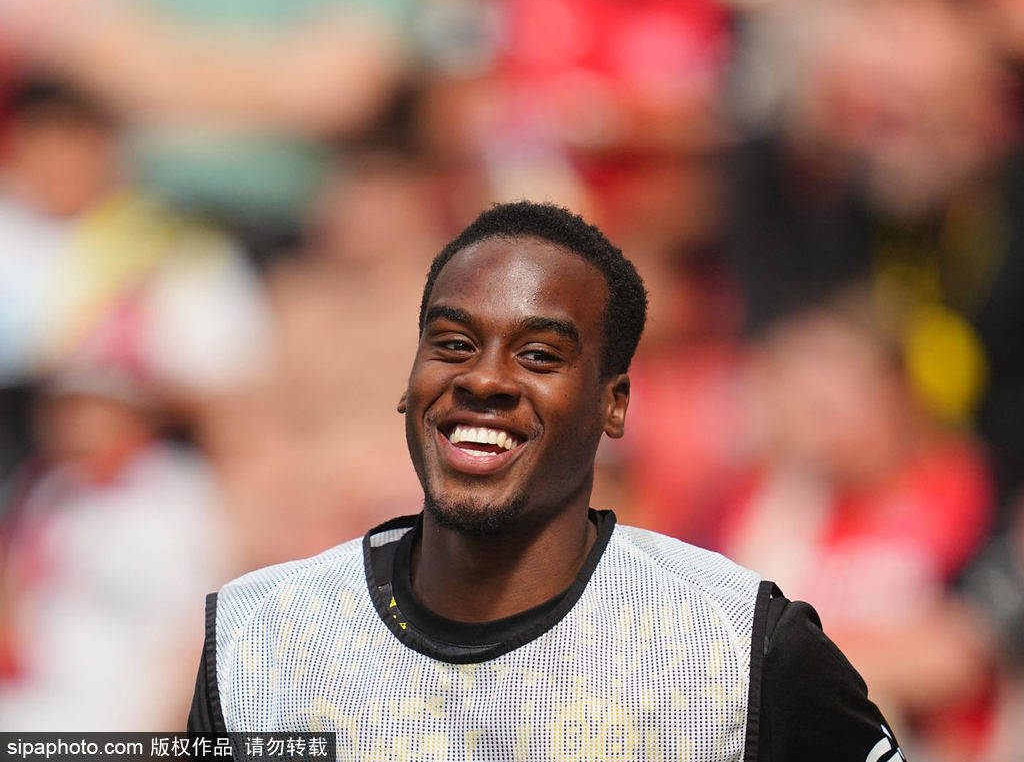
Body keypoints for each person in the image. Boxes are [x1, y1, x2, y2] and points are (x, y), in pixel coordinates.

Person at [187, 202, 902, 761]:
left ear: (614, 404)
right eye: (453, 344)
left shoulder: (737, 643)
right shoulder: (261, 638)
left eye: (538, 355)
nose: (484, 380)